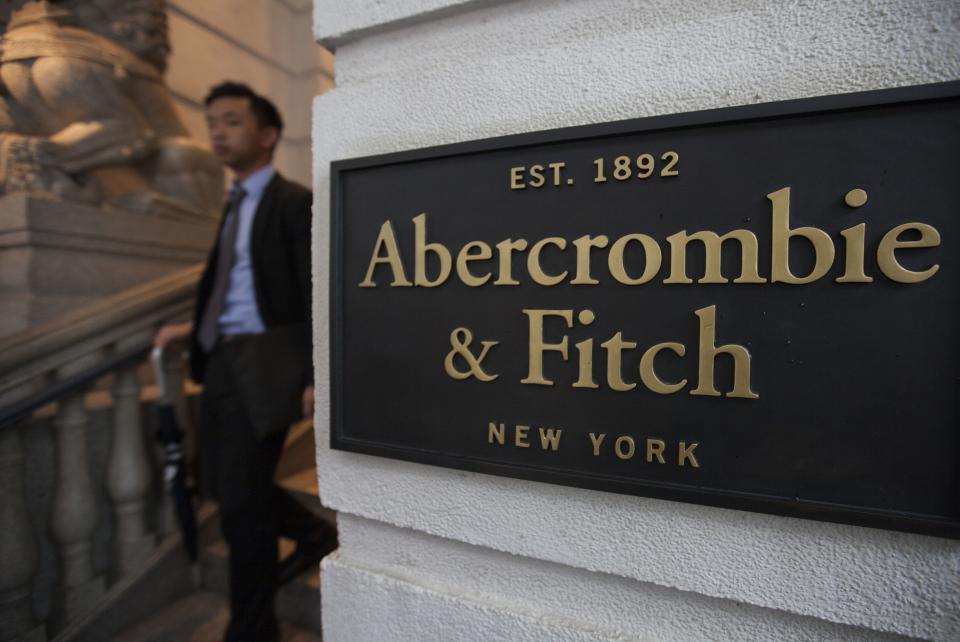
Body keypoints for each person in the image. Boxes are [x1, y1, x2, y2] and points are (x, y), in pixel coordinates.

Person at [154, 81, 334, 642]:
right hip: (222, 361)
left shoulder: (292, 201)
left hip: (268, 365)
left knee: (242, 508)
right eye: (212, 122)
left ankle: (251, 630)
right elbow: (233, 289)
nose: (217, 132)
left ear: (268, 134)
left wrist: (313, 375)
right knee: (224, 485)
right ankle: (311, 534)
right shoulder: (231, 205)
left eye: (231, 121)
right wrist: (193, 329)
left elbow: (314, 292)